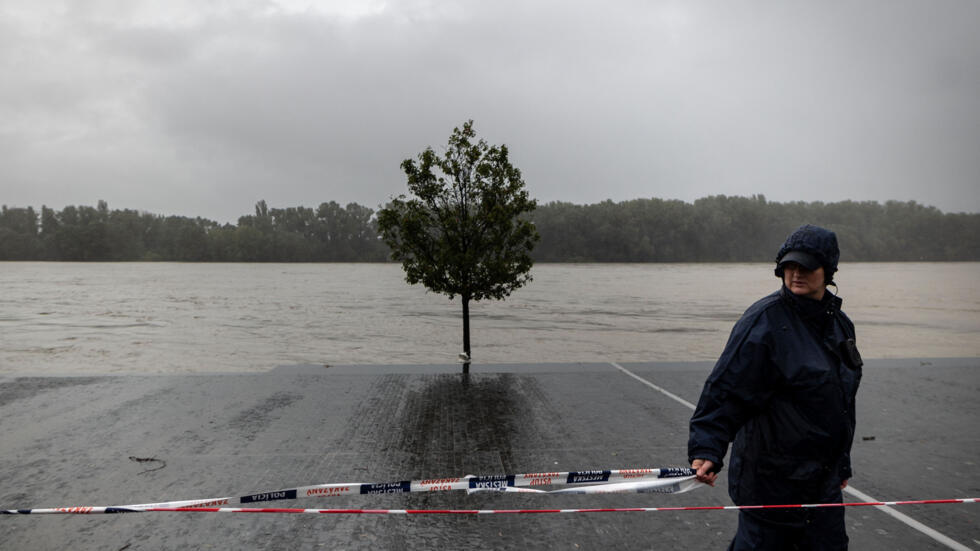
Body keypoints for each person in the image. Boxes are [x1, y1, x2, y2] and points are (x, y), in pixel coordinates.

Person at [688, 224, 863, 550]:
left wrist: (841, 463)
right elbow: (726, 390)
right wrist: (706, 449)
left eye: (806, 267)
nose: (796, 274)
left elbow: (841, 402)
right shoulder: (763, 322)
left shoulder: (840, 325)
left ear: (828, 270)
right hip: (769, 483)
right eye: (789, 267)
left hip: (821, 483)